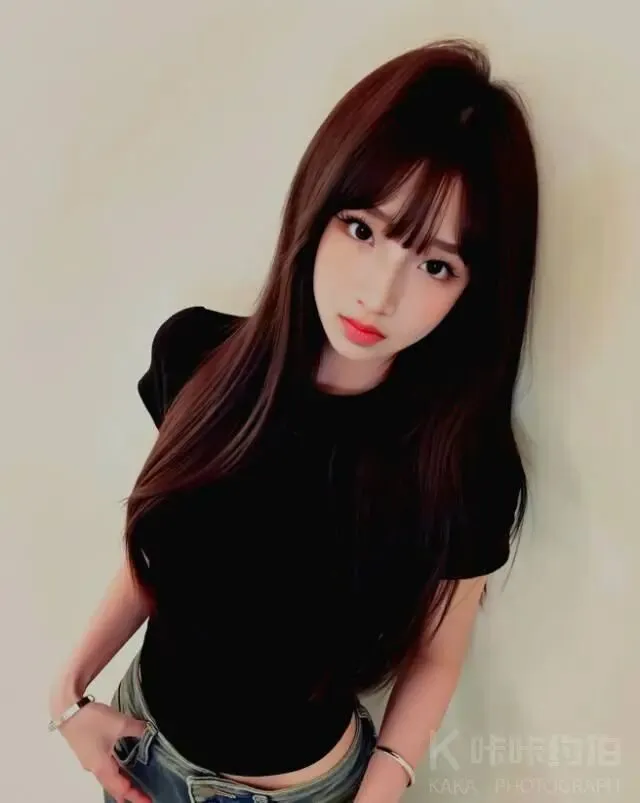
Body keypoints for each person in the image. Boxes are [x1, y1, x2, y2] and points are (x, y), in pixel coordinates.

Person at [48, 37, 538, 803]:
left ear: (472, 291)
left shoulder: (461, 463)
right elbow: (161, 557)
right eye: (363, 229)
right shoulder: (196, 356)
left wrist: (377, 796)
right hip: (137, 752)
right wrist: (69, 694)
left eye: (435, 264)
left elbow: (437, 656)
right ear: (319, 206)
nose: (379, 293)